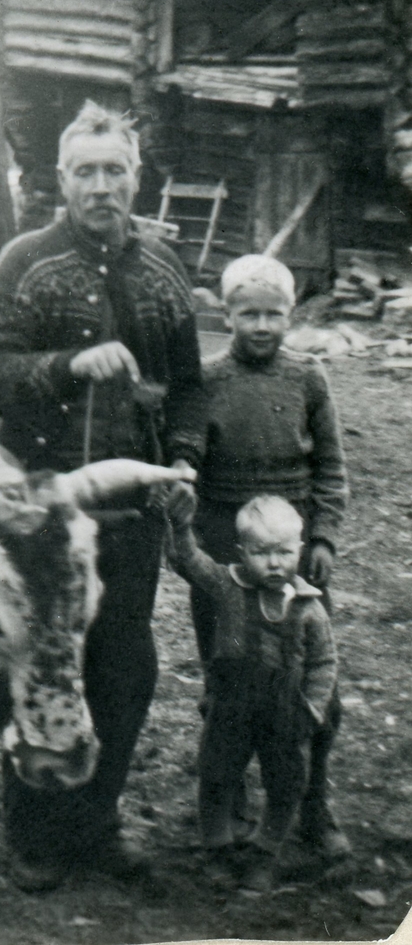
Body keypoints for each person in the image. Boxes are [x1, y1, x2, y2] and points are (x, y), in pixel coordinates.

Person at [0, 100, 204, 889]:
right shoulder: (24, 261)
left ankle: (97, 822)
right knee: (39, 668)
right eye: (85, 173)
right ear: (60, 180)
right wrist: (67, 367)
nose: (101, 187)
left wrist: (180, 459)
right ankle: (32, 834)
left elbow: (190, 389)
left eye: (115, 171)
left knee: (124, 667)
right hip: (41, 506)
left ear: (138, 177)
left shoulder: (168, 267)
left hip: (130, 506)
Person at [192, 254, 350, 861]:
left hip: (297, 560)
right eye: (247, 313)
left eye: (274, 313)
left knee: (309, 679)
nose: (261, 325)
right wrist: (206, 556)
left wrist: (324, 539)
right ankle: (225, 791)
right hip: (228, 562)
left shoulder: (309, 378)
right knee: (225, 676)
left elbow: (331, 469)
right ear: (226, 313)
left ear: (291, 315)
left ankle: (313, 803)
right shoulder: (206, 381)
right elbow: (191, 469)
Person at [165, 489, 338, 892]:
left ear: (298, 548)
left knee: (286, 781)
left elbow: (324, 663)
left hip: (285, 710)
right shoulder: (228, 587)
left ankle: (265, 852)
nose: (274, 563)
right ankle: (217, 850)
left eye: (283, 552)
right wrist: (181, 527)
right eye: (261, 552)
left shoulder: (309, 608)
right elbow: (191, 563)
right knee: (216, 774)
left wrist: (311, 710)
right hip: (232, 704)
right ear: (242, 551)